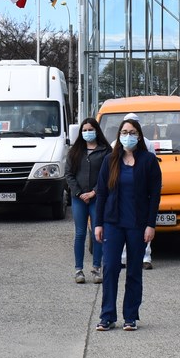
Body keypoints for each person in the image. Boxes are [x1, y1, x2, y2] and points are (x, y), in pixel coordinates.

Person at [93, 118, 162, 332]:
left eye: (132, 132)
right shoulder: (110, 160)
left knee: (134, 270)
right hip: (113, 223)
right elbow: (102, 193)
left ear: (139, 136)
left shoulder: (149, 160)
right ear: (119, 136)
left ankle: (130, 316)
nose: (128, 136)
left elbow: (155, 195)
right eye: (124, 132)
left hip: (137, 224)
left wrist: (151, 224)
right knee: (111, 268)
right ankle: (107, 316)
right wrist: (98, 224)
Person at [65, 117, 109, 283]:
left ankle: (97, 268)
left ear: (96, 130)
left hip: (97, 198)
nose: (87, 133)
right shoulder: (75, 151)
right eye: (84, 130)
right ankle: (79, 270)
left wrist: (94, 192)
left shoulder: (106, 151)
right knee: (80, 233)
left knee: (98, 232)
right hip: (79, 199)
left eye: (90, 129)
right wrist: (78, 193)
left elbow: (108, 175)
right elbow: (69, 174)